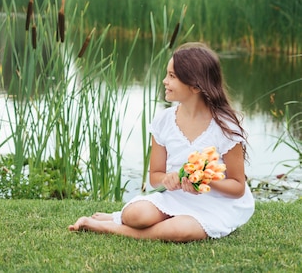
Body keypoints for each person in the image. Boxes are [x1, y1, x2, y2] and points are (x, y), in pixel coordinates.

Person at [69, 42, 254, 241]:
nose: (165, 81)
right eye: (167, 74)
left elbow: (237, 187)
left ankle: (106, 226)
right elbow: (155, 176)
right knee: (135, 215)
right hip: (175, 197)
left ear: (195, 86)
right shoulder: (164, 121)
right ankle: (119, 218)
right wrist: (168, 179)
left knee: (179, 230)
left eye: (172, 76)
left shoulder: (225, 127)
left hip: (215, 203)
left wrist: (206, 180)